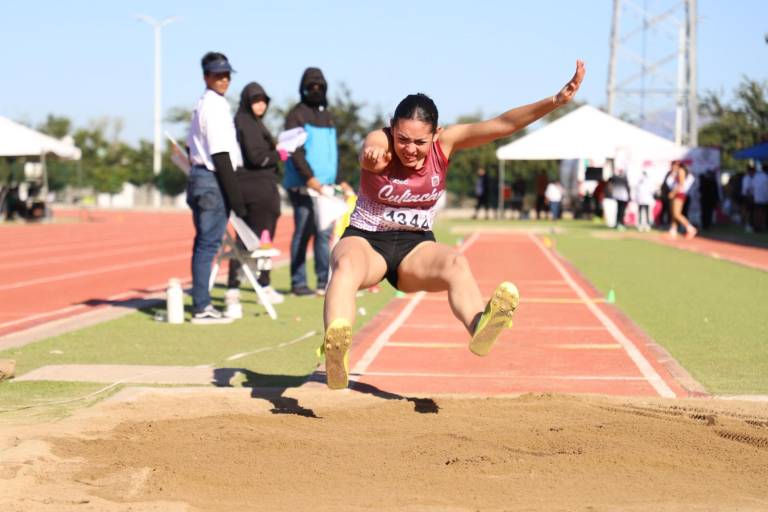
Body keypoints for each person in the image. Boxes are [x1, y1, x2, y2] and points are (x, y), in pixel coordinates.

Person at [319, 61, 586, 389]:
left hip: (414, 247)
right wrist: (372, 154)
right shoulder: (382, 141)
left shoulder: (445, 145)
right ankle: (337, 349)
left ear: (436, 134)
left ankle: (480, 327)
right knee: (345, 266)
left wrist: (555, 101)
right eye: (403, 139)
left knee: (457, 263)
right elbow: (371, 147)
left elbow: (502, 124)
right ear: (392, 129)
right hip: (366, 239)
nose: (410, 149)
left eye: (420, 142)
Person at [186, 51, 246, 324]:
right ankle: (201, 306)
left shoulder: (203, 104)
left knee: (204, 243)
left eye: (226, 75)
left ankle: (201, 302)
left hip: (200, 176)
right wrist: (236, 197)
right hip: (211, 179)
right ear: (205, 76)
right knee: (208, 244)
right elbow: (221, 154)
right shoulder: (215, 106)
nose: (223, 80)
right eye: (217, 75)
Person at [283, 67, 352, 297]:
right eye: (311, 86)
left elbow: (332, 154)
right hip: (303, 185)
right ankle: (298, 281)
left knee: (324, 234)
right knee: (303, 230)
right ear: (303, 88)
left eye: (319, 87)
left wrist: (341, 180)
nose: (315, 90)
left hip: (327, 188)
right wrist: (309, 178)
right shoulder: (296, 115)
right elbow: (295, 151)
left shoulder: (328, 116)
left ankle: (324, 281)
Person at [224, 82, 286, 318]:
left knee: (262, 239)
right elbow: (255, 156)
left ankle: (262, 283)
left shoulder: (255, 123)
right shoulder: (245, 122)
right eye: (255, 100)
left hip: (262, 187)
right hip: (253, 188)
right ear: (247, 102)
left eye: (263, 100)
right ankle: (233, 288)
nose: (260, 105)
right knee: (246, 241)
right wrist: (277, 154)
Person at [667, 162, 697, 239]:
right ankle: (673, 230)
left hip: (679, 194)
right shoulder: (676, 172)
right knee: (674, 213)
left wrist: (673, 193)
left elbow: (681, 184)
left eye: (673, 165)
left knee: (677, 214)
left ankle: (691, 228)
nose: (672, 167)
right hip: (677, 193)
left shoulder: (681, 171)